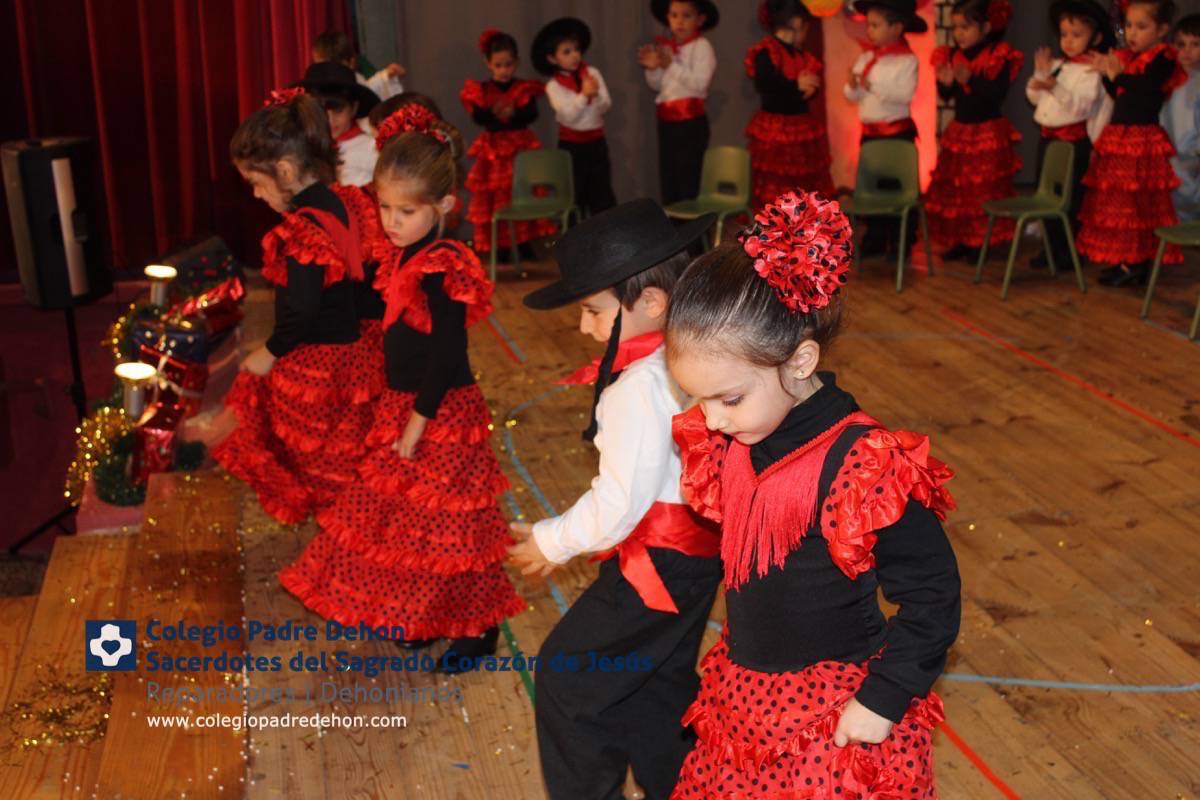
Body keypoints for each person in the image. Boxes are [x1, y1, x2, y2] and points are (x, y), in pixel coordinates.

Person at [663, 190, 961, 798]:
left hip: (835, 716)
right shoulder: (736, 436)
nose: (711, 420)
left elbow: (933, 597)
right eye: (696, 398)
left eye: (729, 398)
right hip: (745, 696)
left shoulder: (862, 466)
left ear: (800, 362)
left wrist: (881, 701)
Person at [280, 105, 524, 661]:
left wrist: (420, 419)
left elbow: (448, 351)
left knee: (453, 529)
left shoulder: (443, 264)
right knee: (412, 525)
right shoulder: (404, 255)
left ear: (444, 206)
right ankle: (427, 615)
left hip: (441, 411)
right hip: (405, 405)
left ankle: (476, 627)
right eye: (385, 207)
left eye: (406, 210)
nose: (392, 220)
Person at [509, 201, 722, 800]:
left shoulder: (639, 387)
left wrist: (552, 541)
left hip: (661, 563)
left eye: (593, 311)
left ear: (651, 303)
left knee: (566, 676)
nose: (585, 327)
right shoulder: (685, 361)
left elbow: (622, 501)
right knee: (657, 685)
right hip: (696, 557)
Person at [214, 88, 380, 524]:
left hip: (322, 367)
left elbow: (301, 312)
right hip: (357, 353)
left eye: (256, 182)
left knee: (299, 447)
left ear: (285, 170)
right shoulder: (346, 202)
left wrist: (268, 353)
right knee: (343, 456)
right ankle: (346, 524)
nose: (254, 195)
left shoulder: (301, 232)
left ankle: (340, 536)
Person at [1078, 0, 1187, 286]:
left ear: (1162, 29)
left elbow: (1147, 91)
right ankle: (1128, 260)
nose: (1132, 33)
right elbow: (1121, 93)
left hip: (1141, 138)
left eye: (1141, 27)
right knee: (1123, 204)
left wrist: (1119, 74)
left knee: (1137, 205)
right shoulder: (1131, 57)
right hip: (1121, 135)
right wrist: (1108, 76)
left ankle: (1137, 264)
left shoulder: (1163, 57)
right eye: (1128, 26)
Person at [924, 0, 1024, 262]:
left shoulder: (997, 54)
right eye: (956, 27)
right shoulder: (952, 54)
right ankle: (963, 239)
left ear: (986, 26)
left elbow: (995, 95)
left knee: (983, 190)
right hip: (961, 131)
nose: (959, 34)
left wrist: (971, 79)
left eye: (965, 27)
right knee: (960, 190)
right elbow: (950, 95)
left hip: (987, 131)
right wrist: (946, 84)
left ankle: (983, 242)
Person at [1024, 0, 1112, 270]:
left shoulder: (1090, 71)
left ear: (1095, 37)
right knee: (1047, 193)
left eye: (1077, 35)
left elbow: (1081, 106)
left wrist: (1056, 87)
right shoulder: (1058, 65)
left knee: (1071, 200)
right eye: (1064, 35)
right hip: (1049, 141)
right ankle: (1050, 248)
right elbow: (1035, 98)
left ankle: (1069, 252)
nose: (1069, 41)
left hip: (1073, 144)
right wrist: (1041, 75)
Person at [460, 29, 556, 256]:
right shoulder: (481, 90)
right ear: (488, 64)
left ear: (517, 63)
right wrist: (494, 113)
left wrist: (514, 113)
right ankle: (501, 248)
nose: (504, 70)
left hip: (521, 147)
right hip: (494, 150)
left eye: (508, 65)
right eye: (498, 65)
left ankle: (524, 244)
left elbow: (531, 115)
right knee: (498, 198)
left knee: (523, 191)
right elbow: (478, 118)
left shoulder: (524, 88)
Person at [844, 0, 927, 255]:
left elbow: (903, 95)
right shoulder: (867, 56)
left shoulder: (907, 60)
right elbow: (851, 95)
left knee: (896, 189)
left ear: (896, 27)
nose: (869, 30)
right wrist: (853, 85)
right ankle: (876, 238)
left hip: (896, 135)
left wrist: (871, 86)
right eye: (869, 24)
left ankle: (900, 241)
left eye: (875, 25)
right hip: (870, 137)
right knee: (874, 187)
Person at [746, 0, 834, 209]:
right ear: (796, 23)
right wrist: (796, 85)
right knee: (780, 189)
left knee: (806, 187)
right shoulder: (766, 52)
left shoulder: (801, 55)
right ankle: (781, 233)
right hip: (777, 133)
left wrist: (810, 89)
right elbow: (767, 88)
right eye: (805, 27)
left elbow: (804, 91)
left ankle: (806, 232)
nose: (806, 34)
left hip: (801, 129)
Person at [533, 16, 617, 216]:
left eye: (576, 50)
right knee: (574, 198)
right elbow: (568, 116)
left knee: (602, 196)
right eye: (566, 52)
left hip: (597, 143)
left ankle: (606, 241)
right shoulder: (553, 86)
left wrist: (595, 97)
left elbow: (606, 106)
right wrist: (583, 96)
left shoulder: (592, 73)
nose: (574, 56)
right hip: (572, 149)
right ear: (553, 59)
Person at [639, 0, 719, 204]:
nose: (679, 22)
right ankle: (674, 231)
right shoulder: (667, 47)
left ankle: (694, 234)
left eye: (686, 15)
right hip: (667, 122)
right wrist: (653, 68)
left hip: (690, 124)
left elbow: (699, 84)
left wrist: (671, 65)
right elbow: (657, 86)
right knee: (669, 178)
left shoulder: (702, 47)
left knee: (689, 180)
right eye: (674, 15)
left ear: (700, 20)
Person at [297, 61, 381, 187]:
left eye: (338, 111)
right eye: (321, 111)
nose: (330, 120)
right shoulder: (301, 148)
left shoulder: (372, 149)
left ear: (354, 108)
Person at [1162, 13, 1200, 222]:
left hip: (1191, 158)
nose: (1186, 51)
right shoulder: (1167, 78)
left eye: (1195, 44)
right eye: (1181, 44)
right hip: (1168, 154)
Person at [311, 29, 406, 102]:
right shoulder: (317, 90)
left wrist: (386, 76)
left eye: (336, 69)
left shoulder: (357, 79)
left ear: (351, 63)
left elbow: (368, 93)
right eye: (321, 68)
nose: (329, 75)